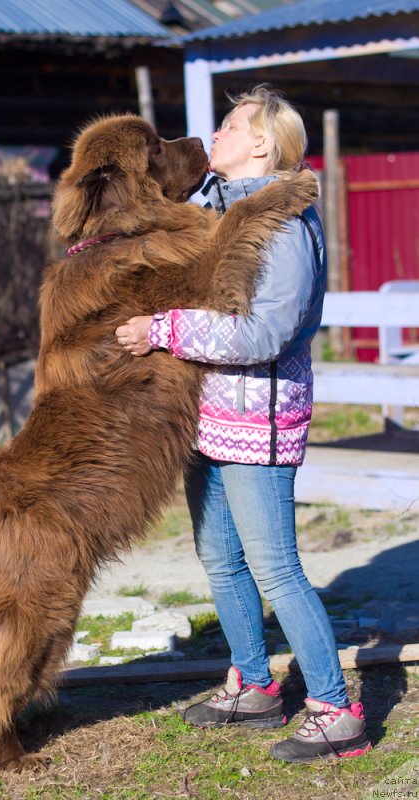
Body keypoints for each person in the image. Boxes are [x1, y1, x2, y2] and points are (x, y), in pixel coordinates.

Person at [114, 85, 371, 763]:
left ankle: (337, 710)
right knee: (222, 562)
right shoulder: (214, 210)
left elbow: (264, 332)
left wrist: (166, 329)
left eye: (228, 125)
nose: (214, 135)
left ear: (262, 143)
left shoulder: (281, 225)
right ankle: (255, 685)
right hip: (209, 415)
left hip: (257, 420)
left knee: (276, 569)